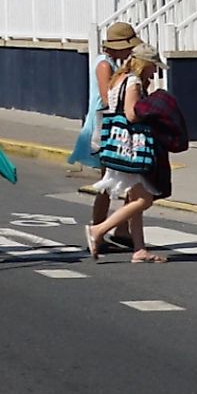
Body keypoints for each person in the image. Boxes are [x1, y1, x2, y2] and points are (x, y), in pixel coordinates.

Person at [86, 44, 176, 263]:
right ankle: (98, 230)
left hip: (118, 145)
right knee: (144, 199)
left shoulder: (119, 77)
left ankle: (139, 249)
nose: (154, 72)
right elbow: (131, 114)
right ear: (143, 64)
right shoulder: (134, 82)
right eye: (152, 67)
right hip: (131, 147)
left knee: (136, 198)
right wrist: (152, 111)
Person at [73, 20, 139, 240]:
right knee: (108, 180)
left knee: (112, 180)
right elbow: (106, 96)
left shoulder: (112, 63)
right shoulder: (104, 64)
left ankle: (116, 229)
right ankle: (101, 229)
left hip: (108, 123)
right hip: (104, 125)